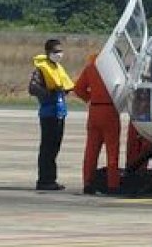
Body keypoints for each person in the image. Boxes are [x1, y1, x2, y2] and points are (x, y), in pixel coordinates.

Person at [28, 38, 74, 191]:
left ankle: (51, 179)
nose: (59, 54)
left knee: (55, 147)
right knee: (47, 147)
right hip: (48, 113)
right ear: (48, 53)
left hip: (59, 113)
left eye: (60, 51)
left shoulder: (57, 68)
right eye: (56, 51)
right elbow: (32, 88)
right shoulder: (41, 69)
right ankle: (44, 180)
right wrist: (48, 93)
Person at [73, 53, 121, 195]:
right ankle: (112, 184)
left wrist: (90, 98)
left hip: (94, 110)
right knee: (112, 150)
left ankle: (88, 183)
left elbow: (78, 89)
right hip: (110, 110)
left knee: (91, 150)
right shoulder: (115, 70)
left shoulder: (90, 68)